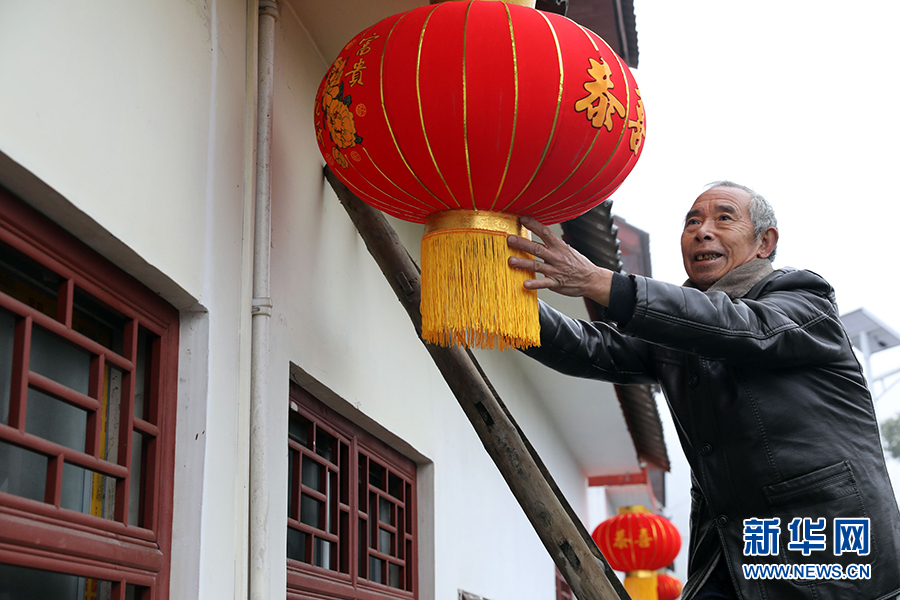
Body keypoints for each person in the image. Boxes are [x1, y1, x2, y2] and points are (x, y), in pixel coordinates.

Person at [507, 182, 900, 600]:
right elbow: (593, 347)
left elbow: (740, 328)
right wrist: (501, 298)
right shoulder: (678, 328)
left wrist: (602, 283)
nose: (702, 231)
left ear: (765, 242)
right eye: (692, 221)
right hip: (728, 551)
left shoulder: (804, 298)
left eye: (723, 218)